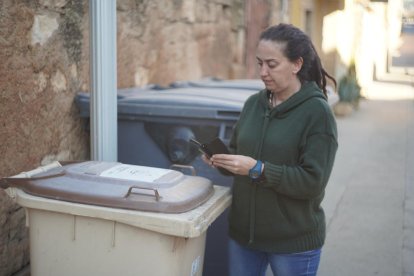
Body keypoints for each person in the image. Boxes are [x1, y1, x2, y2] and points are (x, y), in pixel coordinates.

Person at [202, 23, 338, 276]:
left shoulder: (317, 114)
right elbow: (238, 155)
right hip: (244, 238)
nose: (263, 72)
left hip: (292, 243)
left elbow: (312, 182)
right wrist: (222, 161)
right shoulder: (254, 104)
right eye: (259, 63)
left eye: (272, 64)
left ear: (296, 64)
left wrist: (257, 169)